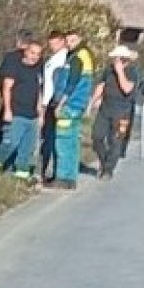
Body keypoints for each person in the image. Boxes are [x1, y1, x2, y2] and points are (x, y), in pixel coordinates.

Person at [0, 39, 44, 180]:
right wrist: (7, 110)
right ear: (25, 52)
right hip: (16, 112)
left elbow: (38, 92)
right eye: (32, 53)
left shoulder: (38, 70)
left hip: (32, 115)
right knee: (11, 142)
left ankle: (21, 173)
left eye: (38, 54)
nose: (34, 56)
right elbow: (7, 88)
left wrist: (40, 113)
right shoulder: (16, 67)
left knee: (27, 147)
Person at [47, 31, 95, 190]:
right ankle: (70, 179)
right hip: (78, 105)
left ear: (80, 39)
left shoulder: (77, 58)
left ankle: (63, 178)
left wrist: (60, 104)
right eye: (68, 40)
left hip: (70, 105)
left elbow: (71, 83)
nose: (70, 43)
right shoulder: (86, 56)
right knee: (73, 142)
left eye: (73, 40)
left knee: (63, 142)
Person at [90, 45, 143, 180]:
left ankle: (108, 170)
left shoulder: (132, 72)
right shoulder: (108, 70)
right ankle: (104, 161)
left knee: (116, 141)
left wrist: (120, 72)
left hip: (122, 112)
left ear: (123, 60)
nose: (114, 61)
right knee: (97, 136)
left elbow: (127, 89)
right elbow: (101, 85)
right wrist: (94, 100)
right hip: (105, 108)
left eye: (116, 59)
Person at [0, 29, 34, 153]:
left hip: (10, 98)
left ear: (18, 41)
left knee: (4, 130)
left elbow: (2, 80)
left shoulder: (11, 57)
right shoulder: (36, 59)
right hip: (27, 103)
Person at [39, 31, 68, 183]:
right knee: (48, 136)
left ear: (63, 41)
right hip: (49, 100)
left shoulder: (63, 59)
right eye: (51, 44)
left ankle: (50, 170)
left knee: (52, 137)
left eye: (55, 43)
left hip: (53, 101)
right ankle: (45, 169)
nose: (52, 46)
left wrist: (44, 104)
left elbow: (53, 85)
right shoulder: (52, 58)